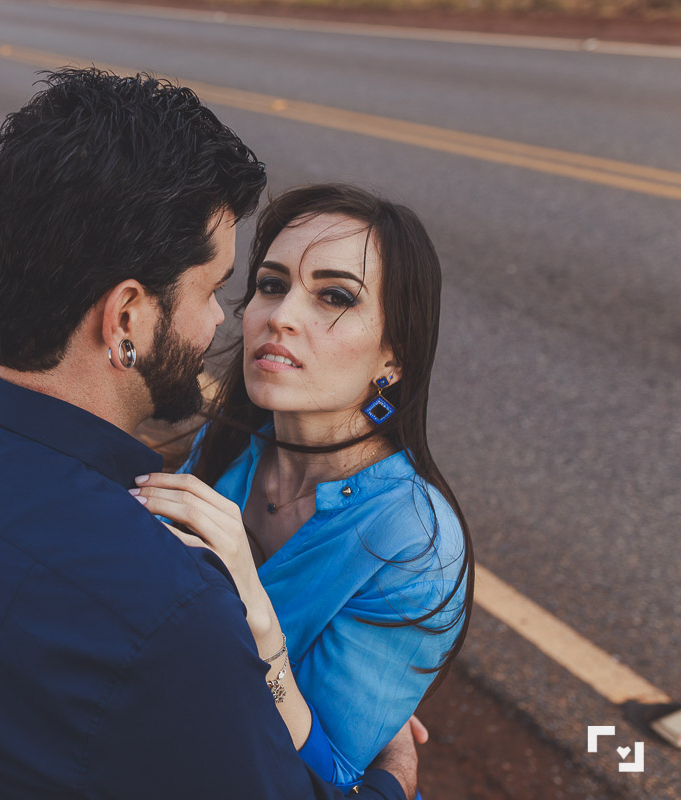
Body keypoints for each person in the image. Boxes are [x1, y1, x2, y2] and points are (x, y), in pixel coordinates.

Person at [0, 71, 419, 799]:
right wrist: (396, 781)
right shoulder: (175, 611)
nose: (221, 321)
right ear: (126, 319)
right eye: (212, 289)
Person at [133, 183, 473, 792]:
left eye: (334, 296)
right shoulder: (232, 443)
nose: (282, 315)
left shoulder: (414, 545)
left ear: (393, 356)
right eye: (271, 283)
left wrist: (253, 615)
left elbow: (333, 778)